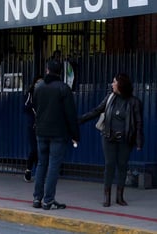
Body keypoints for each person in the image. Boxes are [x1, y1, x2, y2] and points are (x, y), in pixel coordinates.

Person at [79, 73, 144, 207]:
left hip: (125, 139)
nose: (112, 84)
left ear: (121, 85)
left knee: (122, 165)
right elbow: (97, 111)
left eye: (114, 82)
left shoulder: (134, 102)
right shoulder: (110, 98)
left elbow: (138, 123)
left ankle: (119, 196)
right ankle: (107, 196)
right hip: (108, 137)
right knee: (109, 165)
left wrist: (138, 141)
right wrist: (80, 120)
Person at [32, 60, 79, 210]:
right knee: (53, 166)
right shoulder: (63, 88)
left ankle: (37, 199)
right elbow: (70, 114)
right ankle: (48, 200)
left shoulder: (38, 88)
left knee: (41, 164)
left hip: (41, 131)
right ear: (60, 72)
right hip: (58, 133)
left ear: (47, 70)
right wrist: (75, 134)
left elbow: (35, 107)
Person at [23, 75, 43, 182]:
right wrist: (33, 104)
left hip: (43, 125)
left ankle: (40, 172)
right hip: (32, 125)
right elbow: (25, 107)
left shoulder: (46, 94)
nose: (39, 85)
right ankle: (28, 169)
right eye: (37, 82)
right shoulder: (30, 94)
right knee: (34, 149)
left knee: (42, 149)